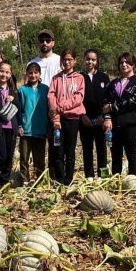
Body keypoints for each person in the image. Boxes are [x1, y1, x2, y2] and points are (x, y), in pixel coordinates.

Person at [103, 52, 136, 176]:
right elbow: (105, 103)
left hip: (130, 125)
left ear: (133, 65)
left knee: (131, 153)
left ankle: (132, 181)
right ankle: (116, 181)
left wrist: (113, 106)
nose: (124, 64)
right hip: (114, 125)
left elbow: (133, 103)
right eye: (121, 62)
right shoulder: (112, 84)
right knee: (115, 154)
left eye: (127, 62)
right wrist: (107, 117)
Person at [49, 48, 85, 186]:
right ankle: (59, 177)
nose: (67, 62)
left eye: (70, 59)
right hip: (58, 120)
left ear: (75, 61)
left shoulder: (79, 78)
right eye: (65, 59)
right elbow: (51, 97)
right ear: (61, 61)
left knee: (70, 150)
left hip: (72, 119)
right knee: (58, 149)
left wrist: (62, 106)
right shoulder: (56, 78)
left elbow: (78, 98)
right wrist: (56, 117)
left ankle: (68, 179)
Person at [28, 29, 61, 178]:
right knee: (38, 141)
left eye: (48, 40)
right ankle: (38, 173)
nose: (45, 43)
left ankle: (54, 172)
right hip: (37, 108)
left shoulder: (59, 60)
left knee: (56, 141)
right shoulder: (32, 62)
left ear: (53, 42)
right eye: (42, 40)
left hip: (55, 106)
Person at [80, 49, 111, 181]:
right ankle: (89, 175)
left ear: (97, 61)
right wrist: (83, 116)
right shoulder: (79, 77)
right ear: (84, 60)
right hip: (85, 119)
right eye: (88, 59)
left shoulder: (104, 77)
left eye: (93, 59)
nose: (90, 62)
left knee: (102, 150)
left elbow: (108, 98)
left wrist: (103, 117)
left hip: (100, 120)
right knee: (87, 149)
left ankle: (103, 176)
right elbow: (77, 99)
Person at [17, 62, 49, 186]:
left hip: (41, 128)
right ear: (27, 74)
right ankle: (25, 179)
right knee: (24, 157)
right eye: (30, 73)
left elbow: (49, 109)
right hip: (26, 129)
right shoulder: (22, 90)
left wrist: (49, 127)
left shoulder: (45, 89)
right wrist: (20, 125)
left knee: (39, 157)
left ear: (40, 74)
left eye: (35, 72)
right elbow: (19, 110)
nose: (33, 75)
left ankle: (40, 179)